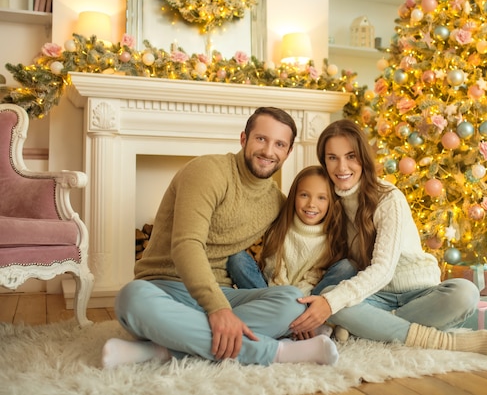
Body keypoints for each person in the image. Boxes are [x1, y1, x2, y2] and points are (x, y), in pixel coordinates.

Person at [102, 107, 339, 368]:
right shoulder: (207, 171)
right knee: (131, 299)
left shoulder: (277, 203)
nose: (269, 151)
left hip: (225, 293)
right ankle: (277, 352)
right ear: (243, 139)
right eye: (261, 139)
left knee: (292, 302)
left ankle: (161, 349)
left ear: (288, 152)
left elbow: (316, 225)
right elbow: (186, 245)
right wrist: (218, 310)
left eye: (279, 144)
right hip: (165, 288)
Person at [289, 119, 487, 356]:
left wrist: (330, 304)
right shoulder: (327, 201)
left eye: (351, 156)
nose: (342, 167)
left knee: (466, 293)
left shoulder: (389, 198)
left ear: (363, 157)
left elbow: (383, 269)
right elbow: (322, 262)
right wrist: (319, 299)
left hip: (419, 293)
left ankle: (376, 326)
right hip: (375, 297)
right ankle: (440, 341)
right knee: (332, 297)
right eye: (332, 158)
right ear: (324, 161)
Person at [227, 165, 357, 337]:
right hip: (274, 292)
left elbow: (316, 279)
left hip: (309, 298)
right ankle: (293, 324)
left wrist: (299, 307)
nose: (311, 204)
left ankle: (304, 320)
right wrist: (288, 301)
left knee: (347, 267)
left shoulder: (333, 236)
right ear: (294, 196)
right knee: (237, 259)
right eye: (304, 195)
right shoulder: (280, 227)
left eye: (321, 198)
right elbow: (274, 271)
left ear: (331, 201)